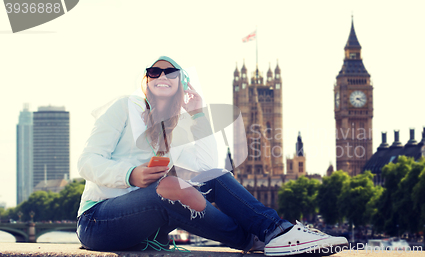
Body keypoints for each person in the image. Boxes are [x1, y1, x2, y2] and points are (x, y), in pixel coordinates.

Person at [76, 56, 348, 256]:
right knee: (170, 189)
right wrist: (130, 175)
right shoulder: (124, 107)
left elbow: (207, 168)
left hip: (146, 226)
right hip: (98, 221)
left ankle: (275, 230)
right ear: (145, 82)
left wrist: (198, 114)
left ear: (181, 85)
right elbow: (87, 161)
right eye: (154, 72)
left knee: (211, 178)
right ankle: (253, 240)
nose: (161, 76)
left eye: (170, 72)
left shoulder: (179, 124)